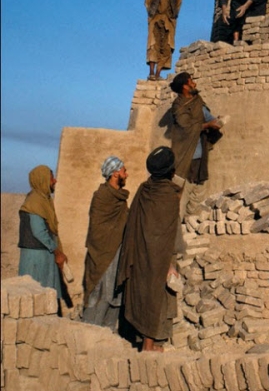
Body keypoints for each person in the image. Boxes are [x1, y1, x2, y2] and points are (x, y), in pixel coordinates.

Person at [117, 146, 183, 352]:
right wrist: (169, 262)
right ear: (171, 171)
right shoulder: (169, 196)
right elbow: (168, 232)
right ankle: (150, 345)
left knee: (143, 295)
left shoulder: (144, 190)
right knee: (156, 298)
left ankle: (146, 342)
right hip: (160, 257)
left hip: (141, 254)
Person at [82, 156, 130, 330]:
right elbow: (97, 229)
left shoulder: (120, 198)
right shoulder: (101, 196)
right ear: (115, 174)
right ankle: (91, 332)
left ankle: (108, 333)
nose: (127, 174)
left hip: (117, 253)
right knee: (100, 292)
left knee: (115, 294)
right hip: (102, 255)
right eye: (124, 171)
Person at [169, 72, 223, 220]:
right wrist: (207, 125)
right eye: (191, 81)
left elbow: (207, 116)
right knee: (185, 186)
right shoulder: (178, 106)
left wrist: (216, 121)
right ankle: (177, 220)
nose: (194, 84)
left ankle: (191, 217)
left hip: (200, 151)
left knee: (199, 184)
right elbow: (186, 126)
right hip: (186, 153)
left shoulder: (197, 100)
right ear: (185, 87)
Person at [18, 165, 66, 305]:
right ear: (42, 179)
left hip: (43, 254)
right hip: (36, 257)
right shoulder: (35, 201)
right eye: (51, 178)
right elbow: (38, 231)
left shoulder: (43, 199)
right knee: (35, 297)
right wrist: (56, 251)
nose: (55, 181)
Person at [144, 0, 182, 81]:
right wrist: (151, 14)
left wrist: (173, 15)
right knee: (153, 44)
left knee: (166, 46)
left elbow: (178, 2)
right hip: (155, 18)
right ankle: (151, 73)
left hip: (169, 20)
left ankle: (158, 73)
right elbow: (147, 1)